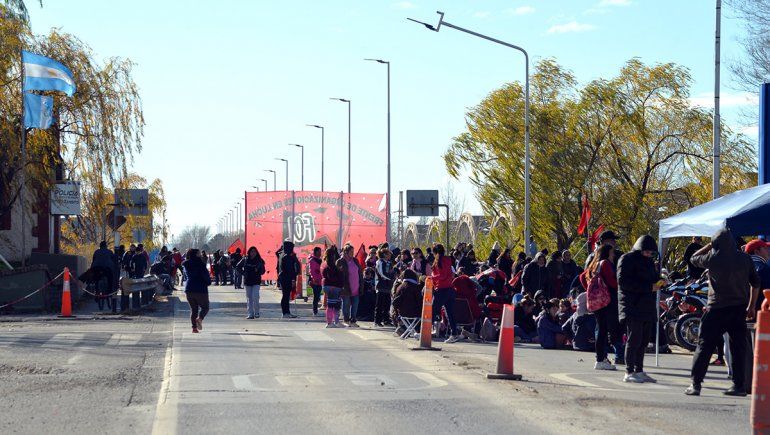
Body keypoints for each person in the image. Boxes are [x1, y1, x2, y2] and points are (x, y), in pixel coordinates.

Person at [685, 229, 761, 396]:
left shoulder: (713, 258)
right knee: (738, 348)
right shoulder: (745, 259)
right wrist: (751, 306)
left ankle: (696, 384)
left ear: (716, 244)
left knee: (704, 346)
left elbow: (693, 258)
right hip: (738, 309)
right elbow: (755, 284)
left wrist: (709, 245)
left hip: (716, 309)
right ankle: (738, 386)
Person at [617, 235, 663, 383]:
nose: (649, 255)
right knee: (634, 339)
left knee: (644, 340)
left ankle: (639, 369)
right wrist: (649, 287)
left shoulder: (649, 262)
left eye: (651, 252)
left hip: (647, 305)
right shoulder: (627, 259)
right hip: (632, 305)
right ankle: (629, 371)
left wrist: (661, 281)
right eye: (647, 252)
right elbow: (623, 282)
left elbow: (653, 279)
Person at [581, 244, 622, 371]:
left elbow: (582, 277)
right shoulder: (605, 264)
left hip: (598, 302)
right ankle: (601, 359)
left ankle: (601, 358)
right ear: (607, 253)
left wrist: (592, 291)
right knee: (607, 330)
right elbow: (613, 282)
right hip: (607, 301)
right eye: (612, 252)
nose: (614, 255)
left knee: (601, 329)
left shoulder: (594, 264)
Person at [431, 243, 461, 343]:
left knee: (432, 310)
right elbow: (450, 274)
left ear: (435, 252)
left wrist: (431, 278)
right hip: (450, 289)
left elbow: (442, 275)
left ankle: (424, 331)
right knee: (450, 313)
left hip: (441, 289)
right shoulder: (448, 260)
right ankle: (454, 333)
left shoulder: (439, 261)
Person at [183, 249, 210, 333]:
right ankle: (200, 319)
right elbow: (205, 275)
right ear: (196, 255)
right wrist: (208, 282)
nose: (200, 255)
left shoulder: (186, 265)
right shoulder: (200, 264)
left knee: (194, 310)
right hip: (200, 289)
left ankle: (194, 328)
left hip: (189, 289)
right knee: (205, 307)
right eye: (199, 254)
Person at [338, 244, 363, 327]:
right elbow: (338, 274)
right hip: (346, 288)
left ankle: (353, 320)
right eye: (351, 252)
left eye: (353, 251)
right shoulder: (340, 261)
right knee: (346, 304)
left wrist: (361, 284)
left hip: (356, 287)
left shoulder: (355, 260)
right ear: (346, 252)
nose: (353, 253)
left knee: (355, 305)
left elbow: (359, 273)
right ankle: (346, 320)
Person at [392, 269, 423, 335]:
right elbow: (419, 302)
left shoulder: (400, 287)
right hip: (414, 313)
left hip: (402, 313)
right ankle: (414, 330)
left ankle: (403, 327)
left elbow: (395, 302)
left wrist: (397, 313)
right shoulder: (416, 287)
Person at [238, 246, 265, 319]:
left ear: (256, 252)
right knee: (249, 298)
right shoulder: (245, 259)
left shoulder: (259, 260)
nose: (253, 253)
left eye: (254, 252)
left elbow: (263, 271)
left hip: (256, 281)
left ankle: (257, 312)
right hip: (247, 281)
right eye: (251, 251)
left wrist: (258, 270)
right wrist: (244, 273)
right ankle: (250, 313)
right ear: (249, 252)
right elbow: (238, 266)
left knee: (255, 297)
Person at [321, 247, 344, 328]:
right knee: (334, 304)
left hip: (328, 286)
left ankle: (333, 322)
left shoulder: (325, 264)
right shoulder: (331, 265)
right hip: (333, 286)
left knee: (333, 304)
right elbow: (333, 277)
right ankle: (331, 322)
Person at [277, 240, 301, 318]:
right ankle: (285, 312)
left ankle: (286, 312)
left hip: (283, 277)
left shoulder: (281, 254)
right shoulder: (287, 256)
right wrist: (293, 279)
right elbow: (290, 269)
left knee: (285, 295)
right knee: (286, 296)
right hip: (287, 278)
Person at [745, 238, 770, 310]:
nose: (768, 251)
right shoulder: (764, 268)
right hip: (761, 312)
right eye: (765, 248)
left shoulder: (740, 267)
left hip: (740, 313)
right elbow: (768, 293)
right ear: (756, 251)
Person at [374, 248, 395, 326]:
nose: (390, 255)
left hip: (388, 286)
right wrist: (390, 278)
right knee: (379, 304)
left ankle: (386, 320)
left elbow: (392, 272)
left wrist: (392, 276)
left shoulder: (389, 263)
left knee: (387, 304)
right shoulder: (380, 262)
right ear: (385, 254)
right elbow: (382, 273)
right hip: (381, 286)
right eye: (388, 254)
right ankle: (377, 321)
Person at [308, 247, 324, 316]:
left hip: (320, 280)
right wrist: (314, 279)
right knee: (316, 296)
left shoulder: (320, 260)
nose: (320, 253)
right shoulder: (312, 260)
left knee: (317, 296)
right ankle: (315, 311)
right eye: (319, 252)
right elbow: (311, 271)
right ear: (316, 252)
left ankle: (315, 310)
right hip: (315, 281)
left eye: (321, 252)